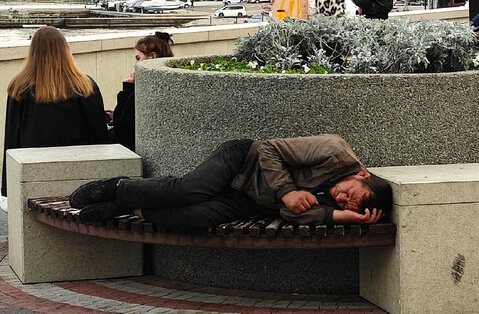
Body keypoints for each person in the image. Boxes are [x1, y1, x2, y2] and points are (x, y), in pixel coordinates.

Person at [69, 133, 393, 233]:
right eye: (350, 195)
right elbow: (270, 148)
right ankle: (118, 187)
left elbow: (290, 215)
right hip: (242, 161)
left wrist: (337, 216)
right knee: (186, 191)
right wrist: (288, 190)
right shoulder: (334, 151)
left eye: (344, 205)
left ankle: (125, 207)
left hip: (252, 201)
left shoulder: (334, 205)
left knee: (195, 218)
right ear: (362, 175)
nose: (340, 198)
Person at [2, 26, 109, 198]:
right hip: (78, 174)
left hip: (33, 174)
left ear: (33, 51)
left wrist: (8, 187)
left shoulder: (19, 88)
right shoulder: (85, 87)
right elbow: (100, 136)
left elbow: (12, 139)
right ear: (65, 49)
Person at [111, 32, 174, 152]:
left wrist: (127, 89)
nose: (136, 65)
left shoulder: (146, 89)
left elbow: (123, 129)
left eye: (138, 58)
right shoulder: (169, 83)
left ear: (152, 57)